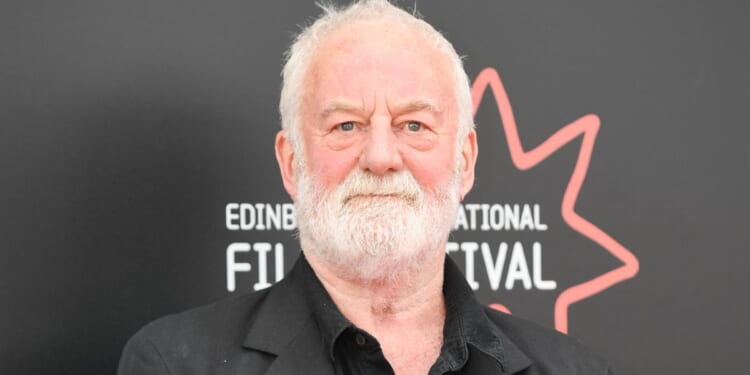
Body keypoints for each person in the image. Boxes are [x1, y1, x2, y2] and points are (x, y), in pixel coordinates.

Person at [117, 1, 613, 374]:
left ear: (464, 161)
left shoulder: (575, 371)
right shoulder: (175, 364)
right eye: (346, 126)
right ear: (292, 163)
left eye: (414, 125)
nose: (380, 157)